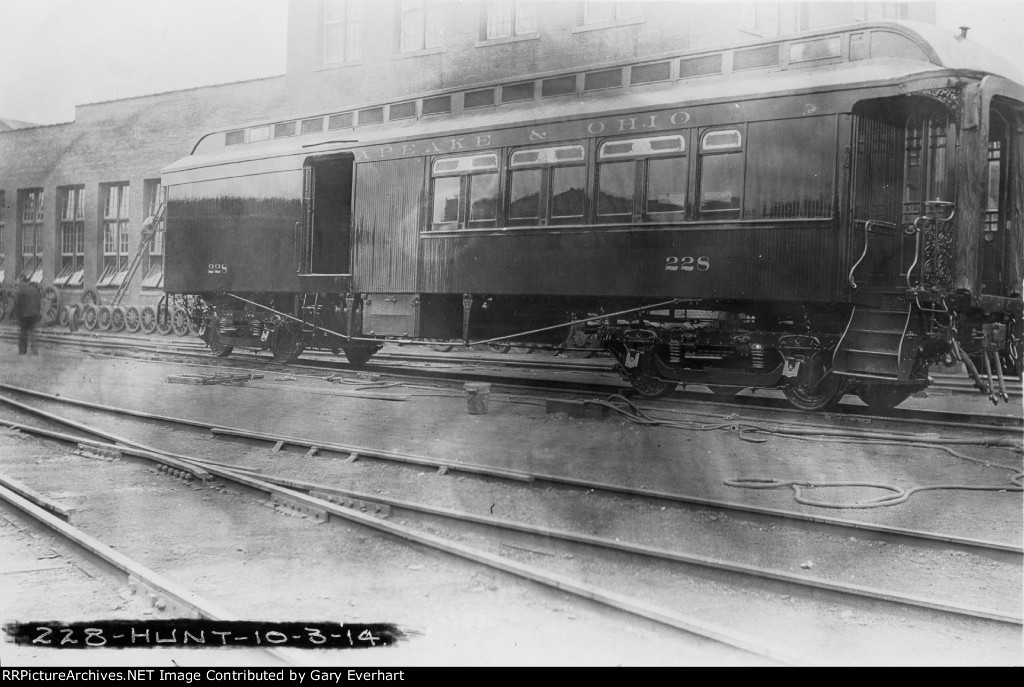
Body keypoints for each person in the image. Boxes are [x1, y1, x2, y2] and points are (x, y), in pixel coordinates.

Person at [12, 275, 42, 355]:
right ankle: (35, 351)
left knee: (23, 334)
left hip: (24, 316)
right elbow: (39, 303)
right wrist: (38, 313)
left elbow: (17, 304)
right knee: (33, 332)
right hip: (34, 315)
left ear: (22, 281)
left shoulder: (20, 291)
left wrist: (17, 316)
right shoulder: (35, 290)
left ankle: (22, 352)